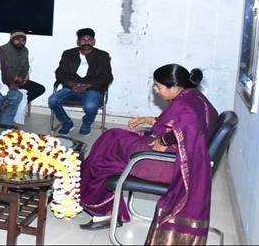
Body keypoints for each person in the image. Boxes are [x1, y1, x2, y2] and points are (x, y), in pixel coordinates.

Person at [79, 64, 219, 244]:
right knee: (112, 137)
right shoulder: (193, 96)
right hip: (177, 156)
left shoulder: (185, 103)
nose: (157, 91)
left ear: (174, 87)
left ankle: (102, 211)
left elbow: (188, 128)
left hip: (168, 164)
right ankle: (104, 208)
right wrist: (151, 120)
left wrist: (163, 141)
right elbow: (180, 123)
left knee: (104, 157)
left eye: (158, 87)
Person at [48, 27, 113, 135]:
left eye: (89, 39)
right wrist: (71, 84)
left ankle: (87, 123)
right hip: (71, 88)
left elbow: (107, 77)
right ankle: (67, 123)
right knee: (53, 100)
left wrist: (89, 86)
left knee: (90, 106)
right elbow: (59, 72)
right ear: (78, 42)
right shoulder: (68, 54)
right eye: (83, 39)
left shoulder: (102, 56)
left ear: (94, 41)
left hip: (92, 89)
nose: (86, 42)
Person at [0, 30, 46, 124]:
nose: (20, 42)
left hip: (18, 81)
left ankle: (17, 106)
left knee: (40, 89)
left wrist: (22, 78)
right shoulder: (2, 50)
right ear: (12, 39)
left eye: (23, 40)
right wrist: (13, 79)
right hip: (4, 81)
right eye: (18, 40)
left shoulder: (25, 50)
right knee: (13, 91)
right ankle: (9, 107)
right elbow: (1, 70)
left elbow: (26, 66)